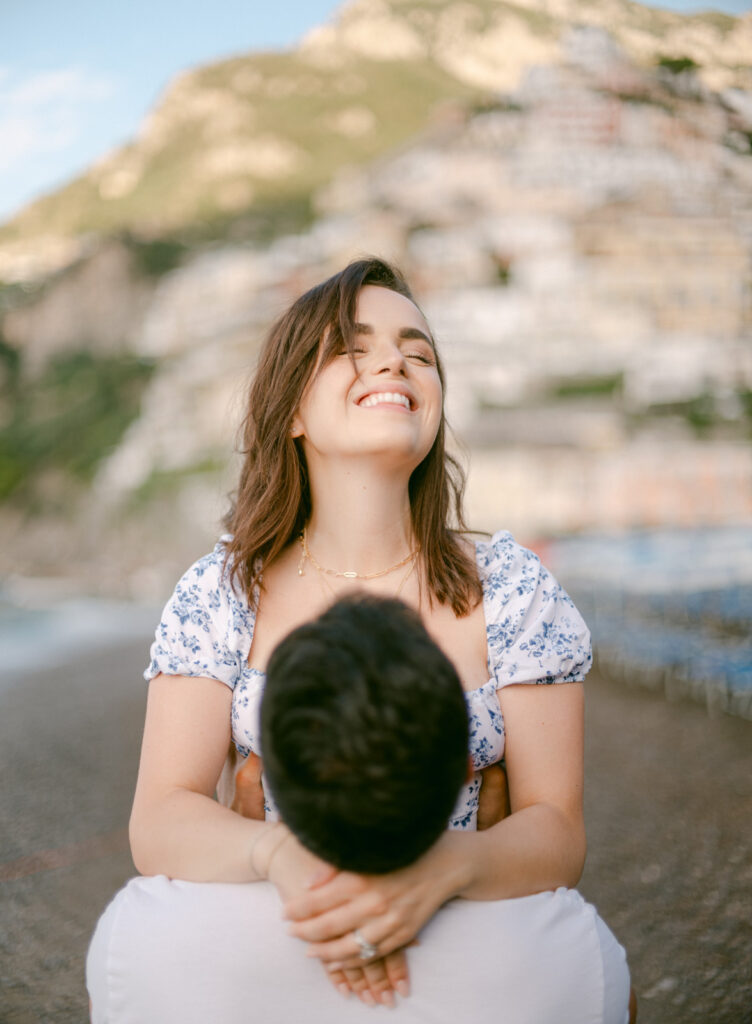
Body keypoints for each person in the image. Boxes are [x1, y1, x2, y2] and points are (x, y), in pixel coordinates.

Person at [120, 256, 593, 1003]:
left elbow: (557, 831)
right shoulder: (222, 591)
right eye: (353, 345)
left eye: (419, 352)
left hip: (469, 945)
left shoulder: (513, 591)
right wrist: (280, 856)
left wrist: (446, 866)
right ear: (294, 412)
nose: (393, 361)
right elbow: (159, 817)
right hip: (280, 934)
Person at [87, 594, 632, 1022]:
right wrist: (478, 858)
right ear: (470, 766)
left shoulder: (139, 944)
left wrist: (269, 851)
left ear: (264, 770)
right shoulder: (573, 959)